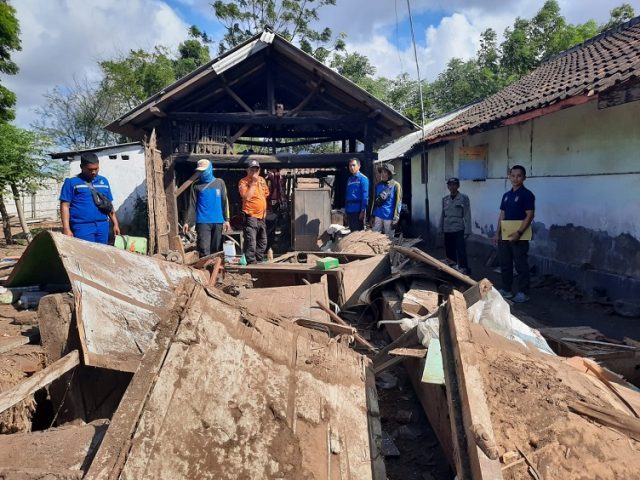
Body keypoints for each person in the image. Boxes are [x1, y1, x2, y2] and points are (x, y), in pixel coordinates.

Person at [494, 165, 535, 303]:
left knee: (520, 264)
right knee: (505, 263)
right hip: (505, 234)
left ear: (524, 178)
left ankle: (524, 292)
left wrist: (519, 232)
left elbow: (529, 215)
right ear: (509, 177)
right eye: (513, 175)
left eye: (519, 176)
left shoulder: (527, 195)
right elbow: (502, 214)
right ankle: (506, 289)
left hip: (520, 235)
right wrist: (497, 232)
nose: (515, 178)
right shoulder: (506, 196)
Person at [59, 152, 120, 244]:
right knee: (85, 255)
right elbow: (65, 206)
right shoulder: (72, 182)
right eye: (90, 169)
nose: (93, 172)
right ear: (81, 167)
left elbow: (108, 204)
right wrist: (66, 228)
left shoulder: (104, 181)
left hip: (102, 226)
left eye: (96, 169)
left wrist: (115, 224)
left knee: (102, 254)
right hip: (81, 227)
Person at [183, 159, 230, 257]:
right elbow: (192, 204)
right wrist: (187, 222)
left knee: (216, 249)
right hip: (202, 222)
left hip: (218, 221)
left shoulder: (219, 183)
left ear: (210, 169)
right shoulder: (196, 185)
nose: (202, 173)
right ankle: (204, 271)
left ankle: (213, 270)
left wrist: (227, 220)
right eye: (200, 171)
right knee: (204, 249)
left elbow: (225, 202)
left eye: (204, 170)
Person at [238, 159, 270, 264]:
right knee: (251, 240)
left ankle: (259, 258)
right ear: (247, 170)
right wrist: (253, 183)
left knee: (263, 240)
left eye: (256, 170)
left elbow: (266, 194)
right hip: (250, 215)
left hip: (262, 216)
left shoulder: (262, 180)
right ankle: (251, 261)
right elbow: (247, 197)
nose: (254, 172)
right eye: (252, 170)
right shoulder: (243, 181)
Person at [440, 177, 472, 274]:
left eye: (454, 184)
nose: (452, 186)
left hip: (458, 228)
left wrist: (468, 230)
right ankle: (452, 270)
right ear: (448, 187)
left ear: (458, 186)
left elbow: (467, 214)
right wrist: (440, 229)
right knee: (449, 251)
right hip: (447, 228)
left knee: (461, 250)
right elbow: (442, 215)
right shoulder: (445, 199)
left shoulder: (463, 198)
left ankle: (464, 269)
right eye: (450, 185)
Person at [370, 163, 401, 239]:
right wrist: (372, 215)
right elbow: (374, 201)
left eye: (385, 172)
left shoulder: (396, 185)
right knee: (374, 238)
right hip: (378, 215)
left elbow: (398, 203)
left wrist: (396, 218)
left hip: (389, 217)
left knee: (389, 240)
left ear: (390, 174)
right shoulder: (378, 185)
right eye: (382, 172)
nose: (382, 174)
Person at [344, 158, 369, 231]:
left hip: (358, 211)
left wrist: (363, 211)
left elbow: (365, 196)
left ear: (359, 166)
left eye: (354, 165)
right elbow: (347, 195)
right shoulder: (349, 179)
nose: (352, 167)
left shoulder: (363, 179)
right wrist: (345, 211)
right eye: (350, 166)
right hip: (349, 210)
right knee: (352, 231)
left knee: (358, 233)